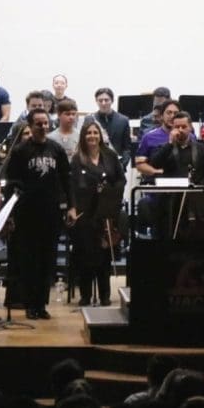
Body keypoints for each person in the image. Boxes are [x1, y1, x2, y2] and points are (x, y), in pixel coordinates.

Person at [5, 109, 76, 320]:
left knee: (48, 260)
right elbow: (11, 184)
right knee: (30, 260)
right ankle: (29, 304)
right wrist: (11, 213)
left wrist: (71, 206)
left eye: (46, 123)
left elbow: (66, 180)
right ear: (30, 125)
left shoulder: (56, 149)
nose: (43, 127)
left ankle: (41, 304)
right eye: (38, 123)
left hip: (51, 213)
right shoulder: (20, 151)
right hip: (27, 213)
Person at [70, 121, 125, 306]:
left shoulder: (110, 155)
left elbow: (121, 180)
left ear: (100, 136)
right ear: (83, 136)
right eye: (88, 133)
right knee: (86, 255)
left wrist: (109, 191)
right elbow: (75, 185)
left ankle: (105, 295)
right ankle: (85, 295)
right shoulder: (77, 158)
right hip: (85, 212)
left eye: (95, 132)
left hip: (106, 211)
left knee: (103, 256)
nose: (92, 136)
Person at [149, 111, 204, 238]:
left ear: (190, 127)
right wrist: (169, 144)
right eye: (176, 127)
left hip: (197, 197)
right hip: (171, 198)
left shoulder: (203, 149)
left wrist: (198, 189)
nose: (180, 130)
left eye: (184, 127)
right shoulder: (165, 148)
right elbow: (155, 164)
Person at [84, 87, 131, 168]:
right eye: (100, 100)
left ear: (112, 100)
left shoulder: (123, 120)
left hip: (117, 166)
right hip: (95, 166)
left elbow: (127, 147)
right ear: (96, 101)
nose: (103, 103)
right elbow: (85, 144)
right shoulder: (89, 119)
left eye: (106, 100)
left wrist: (123, 165)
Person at [135, 100, 180, 183]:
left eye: (176, 113)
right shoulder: (148, 137)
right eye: (168, 113)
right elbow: (140, 165)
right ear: (162, 116)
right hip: (155, 185)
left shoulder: (188, 137)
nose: (172, 116)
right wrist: (156, 172)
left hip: (181, 186)